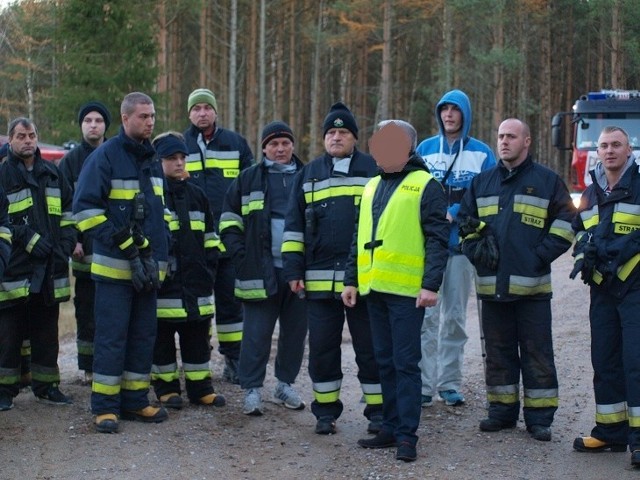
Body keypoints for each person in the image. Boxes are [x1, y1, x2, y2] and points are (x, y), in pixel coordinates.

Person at [458, 118, 575, 442]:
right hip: (492, 288)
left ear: (527, 142)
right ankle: (501, 412)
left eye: (511, 136)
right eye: (500, 136)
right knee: (497, 352)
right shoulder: (481, 183)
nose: (504, 141)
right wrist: (476, 250)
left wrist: (539, 255)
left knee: (537, 353)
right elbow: (466, 225)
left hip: (533, 291)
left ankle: (539, 419)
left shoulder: (548, 182)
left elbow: (567, 223)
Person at [342, 120, 449, 462]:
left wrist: (431, 284)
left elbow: (437, 239)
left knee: (405, 364)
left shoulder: (425, 185)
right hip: (374, 289)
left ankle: (406, 436)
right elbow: (357, 239)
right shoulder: (371, 185)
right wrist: (350, 280)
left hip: (406, 293)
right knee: (384, 362)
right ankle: (388, 427)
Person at [282, 102, 383, 435]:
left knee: (371, 349)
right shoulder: (307, 175)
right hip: (319, 282)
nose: (336, 137)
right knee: (323, 350)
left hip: (365, 282)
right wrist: (294, 271)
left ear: (355, 138)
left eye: (343, 132)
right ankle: (325, 412)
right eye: (331, 133)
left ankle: (379, 413)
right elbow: (294, 227)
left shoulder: (374, 170)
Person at [73, 92, 169, 433]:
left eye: (153, 115)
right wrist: (123, 241)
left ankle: (135, 401)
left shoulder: (152, 158)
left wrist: (162, 256)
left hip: (148, 271)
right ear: (125, 119)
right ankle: (105, 407)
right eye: (143, 116)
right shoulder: (105, 157)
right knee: (112, 338)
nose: (150, 121)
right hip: (115, 270)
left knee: (143, 336)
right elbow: (84, 211)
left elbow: (160, 215)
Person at [220, 121, 307, 416]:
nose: (280, 149)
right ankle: (252, 389)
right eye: (273, 144)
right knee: (256, 334)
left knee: (295, 333)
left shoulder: (308, 177)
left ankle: (285, 385)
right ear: (264, 148)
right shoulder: (248, 179)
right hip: (258, 270)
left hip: (298, 272)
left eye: (285, 143)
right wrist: (241, 256)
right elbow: (228, 221)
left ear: (293, 145)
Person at [417, 89, 496, 407]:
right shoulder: (424, 149)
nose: (449, 114)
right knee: (426, 318)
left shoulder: (481, 153)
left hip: (462, 249)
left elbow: (489, 196)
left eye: (455, 110)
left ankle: (449, 382)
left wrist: (459, 213)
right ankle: (423, 384)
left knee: (454, 318)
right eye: (444, 109)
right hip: (428, 249)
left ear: (465, 114)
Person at [570, 126, 640, 466]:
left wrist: (629, 247)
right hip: (603, 288)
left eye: (616, 145)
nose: (609, 151)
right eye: (604, 146)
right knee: (605, 359)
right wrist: (584, 251)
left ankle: (639, 441)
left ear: (629, 150)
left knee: (636, 362)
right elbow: (580, 231)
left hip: (636, 286)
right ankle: (611, 432)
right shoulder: (591, 190)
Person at [0, 117, 76, 410]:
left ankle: (47, 386)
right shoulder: (3, 176)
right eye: (21, 136)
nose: (28, 140)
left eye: (32, 135)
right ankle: (5, 391)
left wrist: (66, 245)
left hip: (51, 268)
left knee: (47, 332)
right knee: (9, 333)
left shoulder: (53, 174)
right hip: (15, 268)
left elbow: (69, 215)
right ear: (11, 140)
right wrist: (29, 239)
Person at [150, 132, 226, 410]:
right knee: (162, 342)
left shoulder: (198, 195)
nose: (179, 163)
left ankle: (201, 389)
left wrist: (209, 271)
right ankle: (167, 389)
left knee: (197, 339)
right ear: (158, 161)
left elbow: (210, 238)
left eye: (183, 157)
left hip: (197, 284)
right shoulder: (153, 196)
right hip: (165, 287)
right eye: (172, 158)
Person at [183, 88, 254, 384]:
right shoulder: (178, 144)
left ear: (215, 111)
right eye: (196, 108)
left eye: (206, 108)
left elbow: (250, 189)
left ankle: (234, 360)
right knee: (195, 305)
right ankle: (196, 363)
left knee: (230, 304)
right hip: (193, 243)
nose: (202, 113)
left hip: (227, 242)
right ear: (189, 113)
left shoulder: (236, 144)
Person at [59, 101, 112, 384]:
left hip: (113, 251)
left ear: (106, 126)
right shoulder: (70, 162)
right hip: (84, 253)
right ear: (81, 125)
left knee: (112, 311)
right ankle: (89, 368)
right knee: (87, 311)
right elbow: (67, 206)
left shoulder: (115, 154)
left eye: (99, 120)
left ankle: (112, 364)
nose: (93, 125)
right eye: (88, 120)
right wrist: (74, 242)